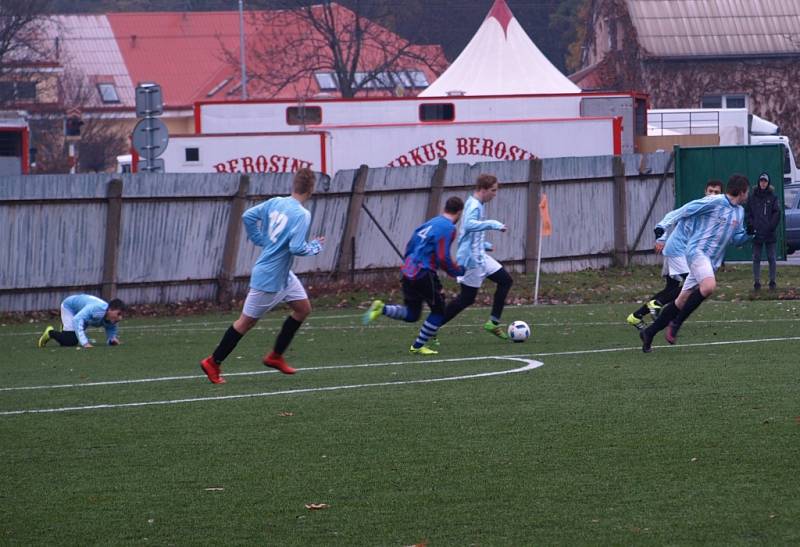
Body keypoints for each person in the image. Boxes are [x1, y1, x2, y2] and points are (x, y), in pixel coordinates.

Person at [199, 167, 324, 384]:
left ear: (293, 184)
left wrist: (260, 239)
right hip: (269, 278)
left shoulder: (276, 201)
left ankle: (275, 356)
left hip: (283, 274)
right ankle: (213, 361)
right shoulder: (302, 214)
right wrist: (314, 247)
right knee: (245, 323)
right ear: (311, 190)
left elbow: (248, 216)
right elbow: (296, 247)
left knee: (303, 309)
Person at [639, 174, 751, 352]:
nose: (748, 195)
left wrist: (749, 233)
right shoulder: (715, 202)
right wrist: (662, 227)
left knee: (681, 301)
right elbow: (685, 210)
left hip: (710, 262)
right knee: (708, 287)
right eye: (747, 191)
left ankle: (649, 333)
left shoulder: (739, 211)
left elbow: (736, 239)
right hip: (697, 252)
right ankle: (676, 324)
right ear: (742, 191)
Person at [362, 196, 465, 355]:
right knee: (439, 311)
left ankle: (382, 308)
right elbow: (443, 256)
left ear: (445, 208)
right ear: (459, 212)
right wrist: (456, 271)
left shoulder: (431, 223)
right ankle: (417, 346)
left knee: (412, 314)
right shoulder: (449, 228)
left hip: (409, 269)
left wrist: (408, 263)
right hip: (423, 272)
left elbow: (411, 243)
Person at [626, 179, 723, 330]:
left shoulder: (717, 211)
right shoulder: (698, 206)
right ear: (705, 191)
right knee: (693, 286)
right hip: (677, 250)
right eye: (710, 191)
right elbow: (673, 215)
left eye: (716, 192)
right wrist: (661, 237)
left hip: (683, 251)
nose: (713, 195)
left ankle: (636, 316)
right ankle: (656, 304)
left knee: (670, 289)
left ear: (721, 195)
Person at [441, 173, 513, 340]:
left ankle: (493, 323)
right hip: (472, 260)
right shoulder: (474, 205)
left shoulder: (478, 204)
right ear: (482, 189)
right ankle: (433, 326)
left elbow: (468, 233)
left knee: (506, 280)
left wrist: (484, 245)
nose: (495, 194)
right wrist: (494, 224)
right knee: (466, 299)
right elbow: (469, 225)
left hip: (480, 255)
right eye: (493, 191)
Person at [37, 294, 125, 348]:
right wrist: (85, 343)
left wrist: (111, 339)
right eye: (118, 314)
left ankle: (66, 329)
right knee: (71, 342)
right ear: (110, 309)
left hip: (80, 312)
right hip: (70, 308)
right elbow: (77, 319)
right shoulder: (97, 309)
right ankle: (50, 333)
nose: (120, 318)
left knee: (70, 337)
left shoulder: (110, 317)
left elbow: (110, 328)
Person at [745, 172, 780, 291]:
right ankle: (756, 282)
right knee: (756, 257)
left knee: (771, 257)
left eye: (765, 181)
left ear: (768, 182)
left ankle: (772, 281)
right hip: (756, 232)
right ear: (758, 182)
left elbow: (776, 213)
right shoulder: (752, 197)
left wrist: (771, 227)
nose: (763, 183)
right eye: (761, 181)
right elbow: (748, 213)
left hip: (769, 233)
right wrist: (751, 225)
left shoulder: (773, 197)